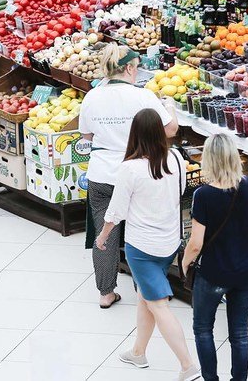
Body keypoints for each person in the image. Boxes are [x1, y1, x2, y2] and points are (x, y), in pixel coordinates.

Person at [95, 109, 198, 381]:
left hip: (142, 248)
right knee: (145, 298)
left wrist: (103, 236)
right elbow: (180, 191)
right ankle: (138, 352)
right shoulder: (175, 158)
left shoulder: (130, 168)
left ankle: (188, 366)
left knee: (159, 304)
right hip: (169, 243)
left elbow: (116, 210)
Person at [79, 44, 178, 309]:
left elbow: (86, 135)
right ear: (130, 68)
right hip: (136, 173)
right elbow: (169, 130)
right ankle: (145, 289)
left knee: (105, 232)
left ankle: (105, 292)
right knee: (139, 230)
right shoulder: (142, 97)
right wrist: (171, 107)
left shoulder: (92, 96)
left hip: (101, 173)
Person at [182, 134, 248, 381]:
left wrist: (185, 264)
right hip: (245, 271)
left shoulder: (203, 195)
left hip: (214, 273)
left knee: (203, 329)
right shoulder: (247, 184)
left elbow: (196, 243)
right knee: (239, 333)